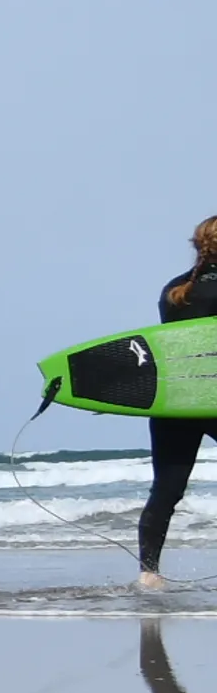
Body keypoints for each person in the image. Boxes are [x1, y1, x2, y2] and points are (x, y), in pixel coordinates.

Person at [138, 215, 217, 590]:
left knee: (166, 491)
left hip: (175, 400)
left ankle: (148, 573)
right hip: (213, 397)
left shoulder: (174, 289)